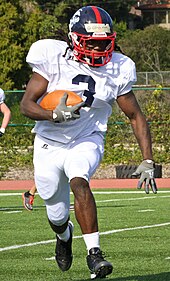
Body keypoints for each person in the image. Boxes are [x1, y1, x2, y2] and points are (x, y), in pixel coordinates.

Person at [20, 6, 157, 279]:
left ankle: (95, 254)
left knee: (79, 180)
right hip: (49, 140)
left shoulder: (119, 67)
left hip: (87, 137)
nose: (97, 49)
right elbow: (26, 105)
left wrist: (148, 159)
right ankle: (64, 235)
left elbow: (135, 115)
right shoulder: (52, 56)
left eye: (102, 43)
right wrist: (52, 115)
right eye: (91, 42)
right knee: (56, 214)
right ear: (74, 39)